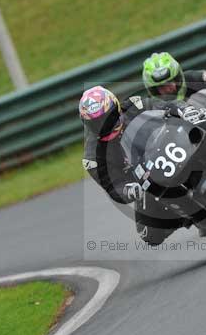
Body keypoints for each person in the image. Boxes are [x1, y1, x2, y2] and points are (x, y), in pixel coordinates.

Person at [80, 85, 198, 246]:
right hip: (144, 180)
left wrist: (183, 109)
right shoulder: (92, 157)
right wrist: (129, 190)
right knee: (149, 234)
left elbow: (163, 104)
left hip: (170, 146)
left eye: (108, 118)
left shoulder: (134, 105)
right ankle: (189, 217)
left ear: (117, 107)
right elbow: (112, 186)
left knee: (200, 122)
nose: (105, 125)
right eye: (98, 123)